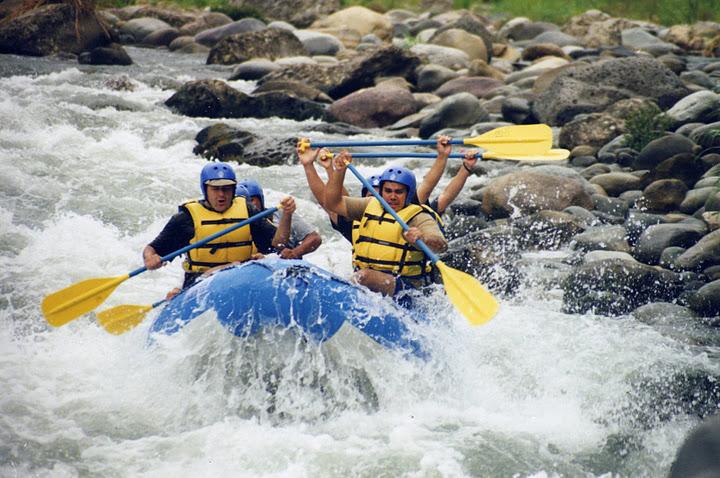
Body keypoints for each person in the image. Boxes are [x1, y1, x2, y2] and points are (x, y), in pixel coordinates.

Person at [143, 162, 296, 298]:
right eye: (215, 189)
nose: (221, 195)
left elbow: (279, 244)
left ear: (234, 189)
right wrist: (150, 258)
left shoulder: (247, 210)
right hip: (201, 283)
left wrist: (287, 215)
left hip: (242, 277)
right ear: (205, 189)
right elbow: (152, 249)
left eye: (226, 189)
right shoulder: (186, 219)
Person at [324, 151, 448, 297]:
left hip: (406, 288)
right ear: (381, 191)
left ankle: (339, 297)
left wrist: (423, 238)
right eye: (388, 191)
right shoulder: (369, 204)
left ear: (408, 194)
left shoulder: (419, 217)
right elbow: (332, 203)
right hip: (370, 282)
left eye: (399, 192)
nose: (392, 197)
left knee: (364, 277)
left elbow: (441, 245)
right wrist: (339, 171)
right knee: (363, 276)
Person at [236, 178, 321, 259]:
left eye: (252, 200)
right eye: (244, 202)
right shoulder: (234, 223)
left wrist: (295, 253)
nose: (248, 205)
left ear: (261, 200)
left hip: (284, 263)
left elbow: (315, 238)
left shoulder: (282, 214)